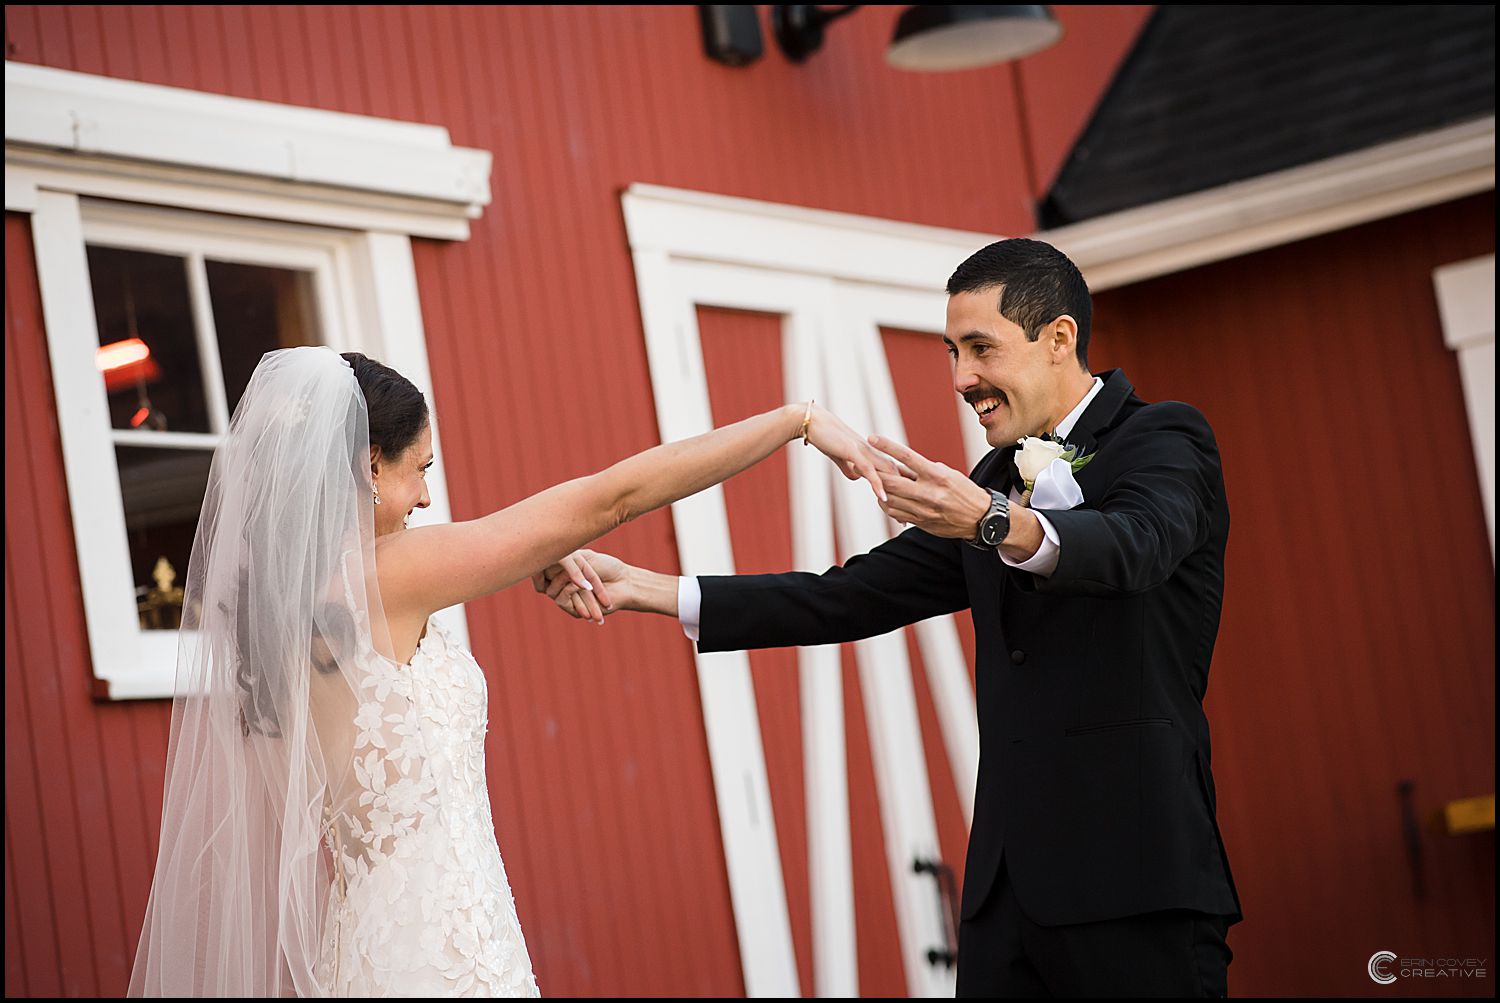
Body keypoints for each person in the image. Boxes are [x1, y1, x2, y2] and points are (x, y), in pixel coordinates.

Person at [537, 238, 1244, 997]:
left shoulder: (1165, 438)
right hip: (1006, 909)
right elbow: (850, 594)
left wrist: (996, 523)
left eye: (981, 348)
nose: (963, 378)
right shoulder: (994, 481)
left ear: (1059, 338)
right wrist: (644, 587)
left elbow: (1136, 544)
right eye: (952, 352)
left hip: (1137, 885)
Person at [127, 345, 891, 997]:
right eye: (418, 469)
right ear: (366, 465)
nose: (427, 495)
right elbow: (612, 499)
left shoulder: (279, 609)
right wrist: (794, 421)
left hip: (371, 945)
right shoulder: (389, 575)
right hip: (445, 956)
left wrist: (524, 551)